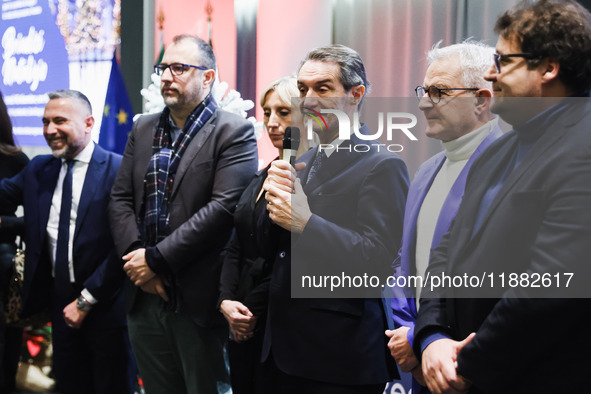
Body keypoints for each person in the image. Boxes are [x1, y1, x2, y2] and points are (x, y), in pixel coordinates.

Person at [414, 1, 591, 393]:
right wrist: (431, 337)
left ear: (548, 67)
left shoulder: (583, 145)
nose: (491, 74)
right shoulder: (496, 151)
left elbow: (549, 285)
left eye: (503, 61)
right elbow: (447, 252)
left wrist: (464, 364)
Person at [109, 34, 258, 394]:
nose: (165, 77)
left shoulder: (233, 130)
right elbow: (120, 199)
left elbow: (223, 208)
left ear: (207, 78)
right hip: (144, 294)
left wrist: (156, 260)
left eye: (179, 68)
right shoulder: (143, 127)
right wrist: (138, 264)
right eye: (163, 68)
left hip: (197, 295)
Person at [262, 44, 410, 394]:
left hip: (338, 355)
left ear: (356, 94)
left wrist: (306, 224)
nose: (308, 100)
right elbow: (271, 248)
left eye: (322, 88)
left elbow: (378, 259)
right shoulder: (303, 159)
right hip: (282, 347)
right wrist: (266, 202)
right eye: (302, 89)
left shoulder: (382, 164)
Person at [385, 40, 502, 394]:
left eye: (439, 92)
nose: (423, 103)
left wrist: (427, 342)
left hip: (464, 362)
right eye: (424, 90)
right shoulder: (426, 170)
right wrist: (410, 334)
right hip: (416, 354)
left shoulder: (510, 170)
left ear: (482, 99)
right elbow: (405, 266)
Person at [0, 89, 134, 394]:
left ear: (88, 123)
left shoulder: (117, 170)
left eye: (59, 121)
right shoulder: (38, 170)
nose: (49, 130)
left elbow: (123, 247)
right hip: (60, 308)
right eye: (45, 122)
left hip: (107, 308)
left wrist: (86, 300)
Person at [218, 75, 302, 394]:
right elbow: (236, 244)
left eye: (283, 112)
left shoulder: (308, 175)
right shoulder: (264, 173)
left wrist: (249, 310)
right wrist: (226, 300)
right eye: (267, 112)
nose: (272, 122)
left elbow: (287, 254)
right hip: (241, 311)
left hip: (276, 321)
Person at [0, 90, 29, 393]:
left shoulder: (15, 160)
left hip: (4, 264)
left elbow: (36, 221)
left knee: (6, 348)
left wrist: (3, 224)